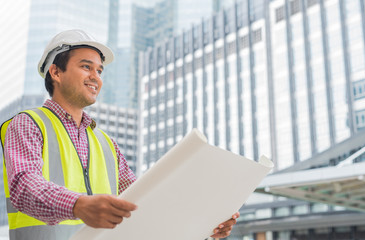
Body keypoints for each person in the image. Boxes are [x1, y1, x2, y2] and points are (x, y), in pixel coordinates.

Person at [0, 29, 239, 240]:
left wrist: (203, 224)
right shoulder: (27, 124)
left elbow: (141, 204)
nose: (96, 77)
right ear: (56, 72)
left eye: (99, 70)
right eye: (86, 67)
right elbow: (25, 186)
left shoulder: (107, 145)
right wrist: (78, 205)